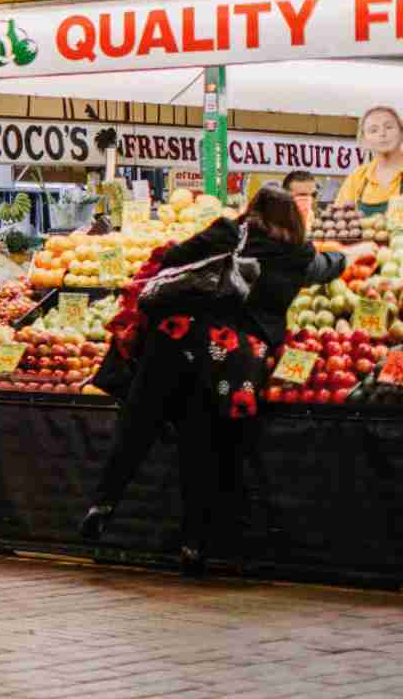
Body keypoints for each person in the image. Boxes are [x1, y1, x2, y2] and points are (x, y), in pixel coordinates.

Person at [80, 185, 374, 575]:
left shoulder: (225, 232)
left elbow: (169, 259)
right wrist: (351, 253)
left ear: (251, 210)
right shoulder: (297, 256)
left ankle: (104, 502)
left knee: (137, 423)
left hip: (174, 339)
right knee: (203, 448)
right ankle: (194, 544)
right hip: (227, 360)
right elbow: (328, 266)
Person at [334, 106, 403, 216]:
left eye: (389, 127)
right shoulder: (358, 177)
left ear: (401, 132)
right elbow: (339, 219)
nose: (382, 134)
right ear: (364, 140)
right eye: (373, 130)